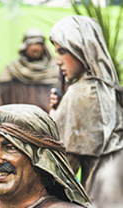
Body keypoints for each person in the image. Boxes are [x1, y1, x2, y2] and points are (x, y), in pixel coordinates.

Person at [49, 15, 123, 189]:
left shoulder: (79, 94)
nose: (58, 62)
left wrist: (53, 117)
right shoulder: (112, 90)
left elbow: (64, 169)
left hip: (98, 201)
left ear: (82, 49)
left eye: (62, 51)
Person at [0, 28, 60, 111]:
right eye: (31, 44)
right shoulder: (13, 71)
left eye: (38, 44)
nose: (34, 48)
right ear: (25, 47)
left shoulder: (55, 70)